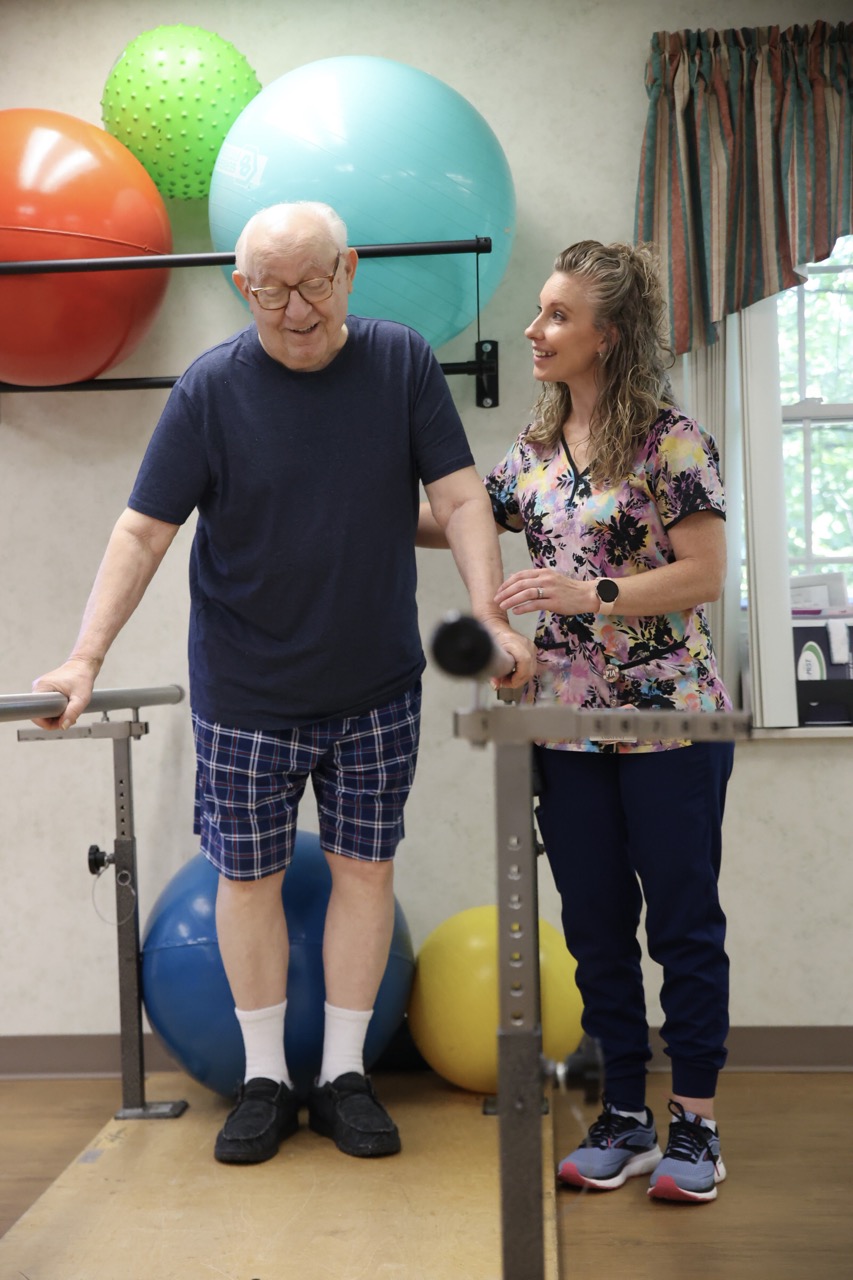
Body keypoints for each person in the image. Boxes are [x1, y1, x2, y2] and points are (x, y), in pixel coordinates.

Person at [32, 201, 534, 1166]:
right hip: (247, 692)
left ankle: (344, 1075)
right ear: (240, 286)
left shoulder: (399, 364)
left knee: (364, 872)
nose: (296, 309)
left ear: (348, 269)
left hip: (377, 686)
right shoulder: (211, 389)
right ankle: (265, 1078)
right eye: (270, 291)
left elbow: (461, 494)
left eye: (312, 284)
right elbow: (143, 530)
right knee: (248, 882)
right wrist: (85, 656)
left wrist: (487, 613)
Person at [418, 240, 734, 1203]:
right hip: (561, 723)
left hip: (669, 721)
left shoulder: (669, 442)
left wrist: (590, 589)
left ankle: (696, 1130)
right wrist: (357, 489)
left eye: (556, 315)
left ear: (609, 334)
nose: (533, 329)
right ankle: (626, 1118)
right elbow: (461, 515)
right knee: (595, 928)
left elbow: (705, 577)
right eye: (540, 312)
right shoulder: (537, 445)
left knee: (681, 926)